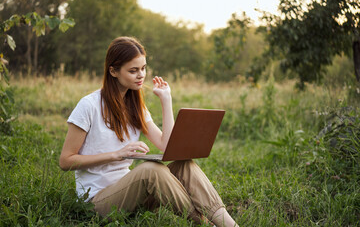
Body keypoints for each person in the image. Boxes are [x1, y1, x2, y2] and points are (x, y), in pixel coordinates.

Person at [59, 36, 238, 227]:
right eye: (133, 70)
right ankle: (205, 224)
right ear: (113, 71)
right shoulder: (89, 106)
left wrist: (166, 100)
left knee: (185, 165)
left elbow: (167, 146)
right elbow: (65, 161)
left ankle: (230, 225)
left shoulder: (135, 106)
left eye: (143, 68)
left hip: (130, 194)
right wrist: (116, 155)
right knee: (150, 170)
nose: (141, 75)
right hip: (97, 202)